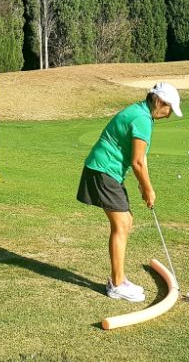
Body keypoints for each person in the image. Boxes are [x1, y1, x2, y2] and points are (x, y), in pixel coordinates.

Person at [77, 82, 182, 302]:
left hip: (105, 171)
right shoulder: (142, 119)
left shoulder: (141, 113)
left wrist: (146, 187)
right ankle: (116, 284)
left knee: (126, 221)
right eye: (169, 107)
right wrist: (147, 188)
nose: (170, 113)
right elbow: (137, 162)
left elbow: (141, 158)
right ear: (159, 101)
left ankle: (119, 280)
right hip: (103, 170)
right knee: (122, 223)